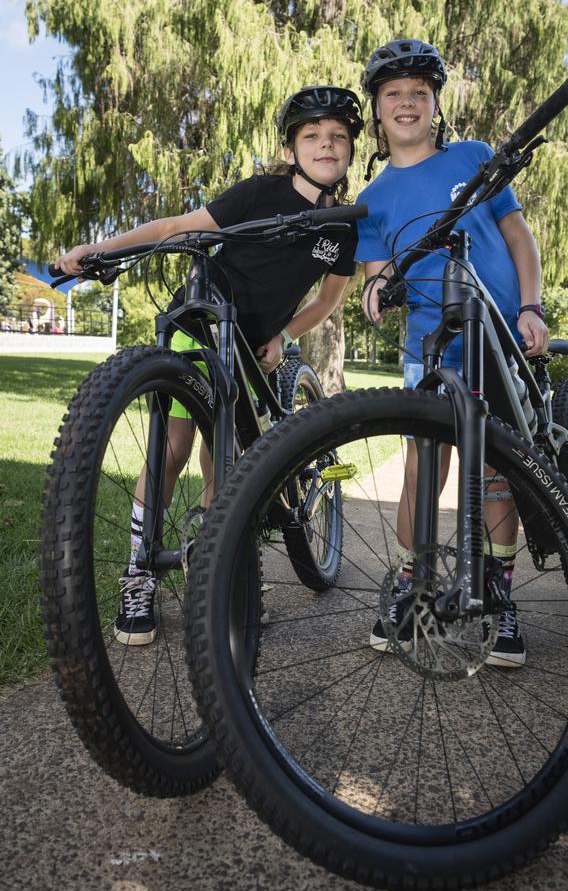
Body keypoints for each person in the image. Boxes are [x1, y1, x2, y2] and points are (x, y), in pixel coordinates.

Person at [55, 84, 364, 645]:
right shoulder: (259, 192)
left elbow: (327, 300)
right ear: (292, 147)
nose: (326, 144)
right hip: (201, 324)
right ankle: (138, 573)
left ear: (349, 150)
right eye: (312, 135)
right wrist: (100, 252)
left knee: (224, 457)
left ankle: (214, 567)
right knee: (171, 449)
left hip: (250, 346)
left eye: (338, 136)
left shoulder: (344, 225)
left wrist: (283, 336)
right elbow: (179, 227)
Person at [356, 39, 548, 668]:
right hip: (432, 346)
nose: (406, 103)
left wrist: (531, 308)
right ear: (379, 112)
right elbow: (378, 277)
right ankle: (413, 585)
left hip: (501, 334)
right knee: (424, 466)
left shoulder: (475, 157)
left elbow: (519, 239)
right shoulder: (373, 198)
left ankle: (498, 592)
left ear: (434, 104)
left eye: (419, 93)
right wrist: (377, 289)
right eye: (393, 95)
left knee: (496, 468)